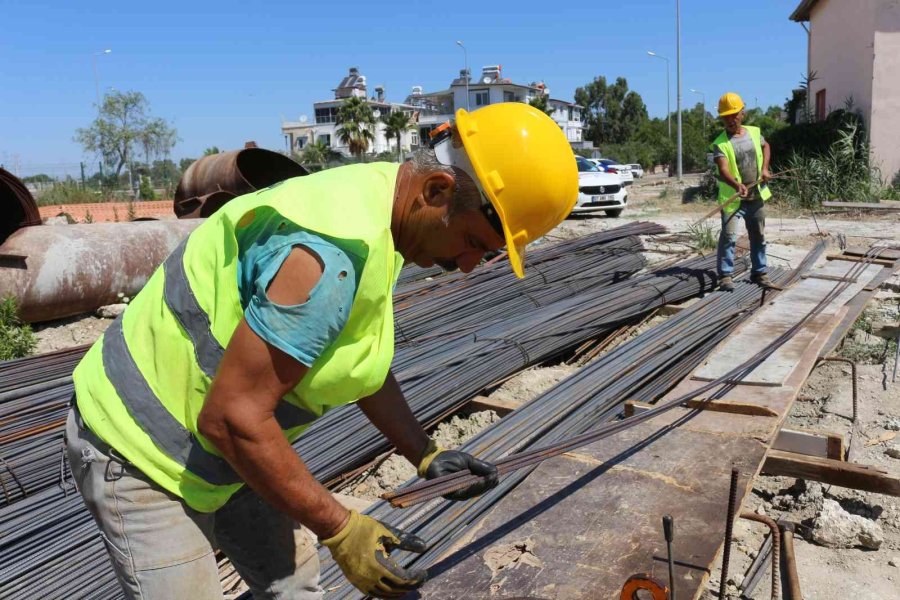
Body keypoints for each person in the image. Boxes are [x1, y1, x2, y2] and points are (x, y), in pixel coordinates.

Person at [65, 102, 578, 600]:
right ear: (436, 190)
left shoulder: (382, 207)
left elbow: (357, 363)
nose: (467, 265)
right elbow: (234, 418)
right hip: (139, 448)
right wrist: (341, 528)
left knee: (296, 588)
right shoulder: (328, 258)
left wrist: (424, 454)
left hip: (227, 445)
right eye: (473, 243)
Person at [711, 92, 776, 291]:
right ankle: (725, 276)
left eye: (734, 115)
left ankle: (759, 272)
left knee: (758, 236)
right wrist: (736, 185)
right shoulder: (720, 143)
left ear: (742, 114)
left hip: (756, 196)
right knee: (729, 238)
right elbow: (723, 169)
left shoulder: (754, 133)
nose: (730, 120)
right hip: (733, 199)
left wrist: (765, 169)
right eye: (726, 117)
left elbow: (766, 147)